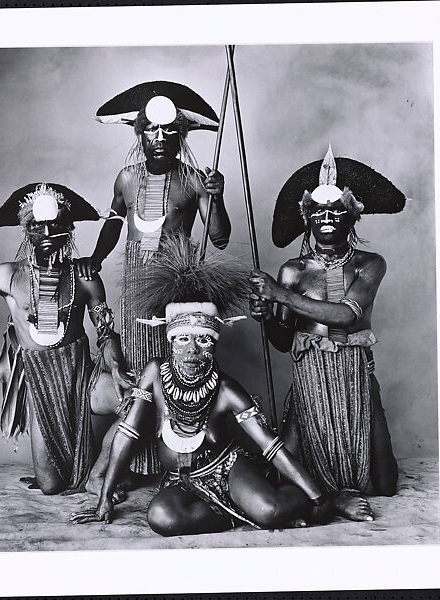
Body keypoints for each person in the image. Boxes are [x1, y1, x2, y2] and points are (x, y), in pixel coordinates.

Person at [71, 235, 334, 534]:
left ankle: (284, 503)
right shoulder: (155, 373)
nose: (192, 350)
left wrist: (318, 497)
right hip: (181, 479)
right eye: (183, 339)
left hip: (225, 469)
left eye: (204, 340)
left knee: (270, 510)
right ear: (170, 342)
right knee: (160, 517)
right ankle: (236, 511)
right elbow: (127, 434)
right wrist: (104, 499)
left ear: (214, 346)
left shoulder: (225, 389)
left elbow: (271, 448)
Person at [77, 81, 232, 479]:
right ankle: (133, 465)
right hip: (134, 285)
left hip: (175, 287)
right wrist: (96, 257)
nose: (160, 138)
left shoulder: (196, 179)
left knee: (169, 368)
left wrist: (218, 196)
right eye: (151, 130)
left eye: (169, 131)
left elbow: (219, 237)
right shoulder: (126, 178)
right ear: (140, 134)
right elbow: (115, 223)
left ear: (181, 136)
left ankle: (172, 461)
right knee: (133, 367)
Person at [0, 183, 132, 495]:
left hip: (83, 377)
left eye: (55, 224)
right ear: (25, 230)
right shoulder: (6, 275)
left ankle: (98, 474)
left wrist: (119, 366)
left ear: (69, 228)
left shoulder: (84, 277)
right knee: (51, 486)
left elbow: (106, 332)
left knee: (138, 400)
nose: (46, 233)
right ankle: (70, 470)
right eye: (36, 226)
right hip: (41, 386)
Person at [249, 146, 405, 521]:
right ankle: (332, 496)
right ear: (307, 219)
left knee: (385, 483)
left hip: (354, 375)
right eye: (318, 212)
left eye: (338, 211)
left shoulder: (370, 264)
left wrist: (280, 295)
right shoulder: (292, 270)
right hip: (310, 380)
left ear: (353, 216)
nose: (328, 218)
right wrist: (267, 314)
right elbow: (284, 343)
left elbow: (345, 317)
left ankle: (337, 487)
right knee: (280, 475)